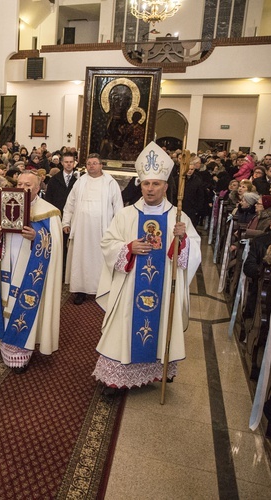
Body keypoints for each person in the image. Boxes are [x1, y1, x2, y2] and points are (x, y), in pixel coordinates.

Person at [93, 142, 202, 392]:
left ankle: (159, 369)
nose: (150, 189)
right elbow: (108, 243)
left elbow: (192, 255)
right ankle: (117, 376)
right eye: (146, 184)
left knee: (162, 324)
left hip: (163, 287)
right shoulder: (126, 214)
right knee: (124, 326)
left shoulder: (179, 217)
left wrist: (182, 240)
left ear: (165, 186)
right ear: (139, 185)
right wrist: (128, 248)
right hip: (130, 285)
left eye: (155, 184)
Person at [0, 170, 63, 373]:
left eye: (28, 185)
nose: (22, 188)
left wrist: (36, 236)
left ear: (37, 188)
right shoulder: (6, 204)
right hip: (7, 265)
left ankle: (22, 350)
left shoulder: (49, 212)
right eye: (19, 183)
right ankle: (6, 344)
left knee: (23, 305)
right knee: (4, 302)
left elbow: (54, 246)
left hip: (30, 270)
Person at [62, 153, 123, 305]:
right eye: (89, 163)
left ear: (101, 165)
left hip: (103, 229)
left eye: (95, 163)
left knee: (99, 259)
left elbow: (118, 206)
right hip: (81, 229)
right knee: (81, 258)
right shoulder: (80, 182)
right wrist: (66, 223)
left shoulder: (110, 183)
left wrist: (119, 227)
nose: (91, 166)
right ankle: (81, 291)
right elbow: (70, 203)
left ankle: (100, 290)